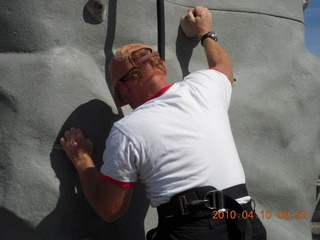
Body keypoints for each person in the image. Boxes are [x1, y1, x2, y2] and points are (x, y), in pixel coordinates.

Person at [60, 5, 266, 240]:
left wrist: (82, 160)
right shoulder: (205, 86)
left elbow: (110, 210)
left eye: (121, 97)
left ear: (124, 89)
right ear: (163, 69)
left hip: (192, 231)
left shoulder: (127, 131)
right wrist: (205, 34)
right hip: (246, 225)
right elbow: (224, 67)